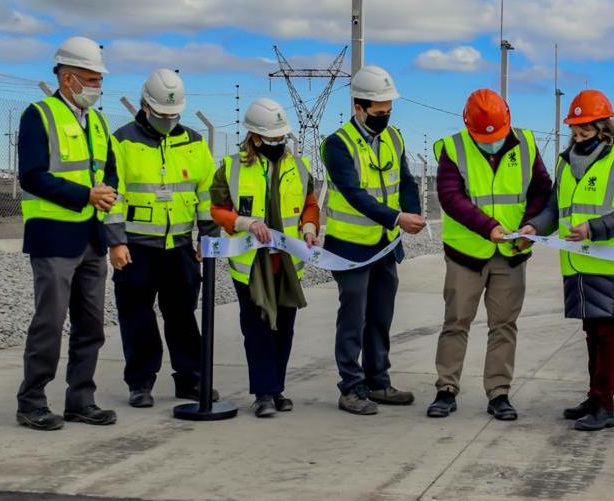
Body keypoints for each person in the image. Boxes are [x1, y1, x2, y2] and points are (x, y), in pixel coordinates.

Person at [426, 88, 552, 421]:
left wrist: (531, 227)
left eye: (494, 135)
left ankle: (499, 393)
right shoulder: (453, 148)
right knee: (456, 322)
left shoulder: (525, 145)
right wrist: (488, 227)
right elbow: (450, 197)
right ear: (468, 126)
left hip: (511, 253)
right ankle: (446, 389)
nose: (489, 141)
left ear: (508, 120)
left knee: (504, 325)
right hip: (466, 255)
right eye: (482, 136)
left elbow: (541, 190)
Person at [15, 36, 119, 430]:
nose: (96, 87)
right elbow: (33, 175)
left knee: (91, 324)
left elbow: (105, 166)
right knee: (50, 322)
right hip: (54, 237)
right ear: (68, 76)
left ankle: (81, 399)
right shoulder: (38, 115)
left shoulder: (96, 120)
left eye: (98, 80)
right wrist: (86, 195)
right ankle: (32, 401)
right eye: (91, 79)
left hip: (92, 238)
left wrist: (106, 190)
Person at [528, 90, 614, 431]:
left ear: (604, 128)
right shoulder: (565, 162)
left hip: (610, 262)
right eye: (575, 131)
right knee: (591, 332)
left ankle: (605, 405)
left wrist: (593, 229)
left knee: (606, 332)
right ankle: (595, 396)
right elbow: (555, 207)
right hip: (577, 262)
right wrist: (534, 226)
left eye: (586, 131)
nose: (579, 138)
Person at [104, 69, 219, 408]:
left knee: (183, 316)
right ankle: (140, 383)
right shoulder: (122, 141)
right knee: (137, 318)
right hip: (136, 247)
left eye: (174, 115)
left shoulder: (195, 143)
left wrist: (206, 238)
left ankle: (190, 380)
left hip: (180, 247)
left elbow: (206, 193)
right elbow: (113, 194)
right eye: (163, 114)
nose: (169, 120)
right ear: (145, 106)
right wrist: (116, 240)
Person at [320, 65, 424, 415]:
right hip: (349, 248)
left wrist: (413, 213)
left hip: (385, 245)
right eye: (379, 112)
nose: (385, 117)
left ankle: (378, 382)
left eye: (388, 111)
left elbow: (406, 181)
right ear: (358, 108)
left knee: (380, 315)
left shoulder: (393, 138)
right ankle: (351, 387)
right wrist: (397, 217)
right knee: (353, 317)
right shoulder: (336, 145)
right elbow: (353, 193)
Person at [209, 98, 319, 418]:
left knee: (284, 328)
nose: (278, 143)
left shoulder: (299, 166)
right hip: (251, 267)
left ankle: (276, 388)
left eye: (281, 138)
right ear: (254, 137)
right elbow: (217, 209)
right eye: (271, 139)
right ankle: (263, 393)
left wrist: (310, 226)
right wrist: (246, 224)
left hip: (286, 265)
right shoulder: (230, 168)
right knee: (257, 330)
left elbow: (310, 203)